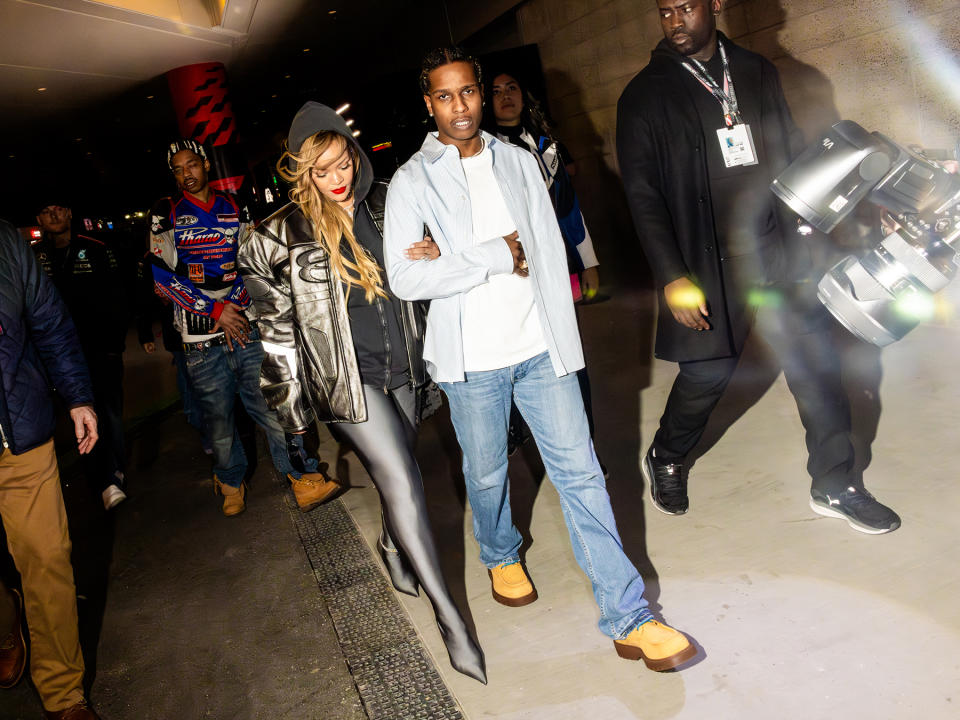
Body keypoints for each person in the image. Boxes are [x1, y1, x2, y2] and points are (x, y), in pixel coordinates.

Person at [383, 46, 696, 671]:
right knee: (489, 471)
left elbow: (547, 254)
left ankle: (629, 615)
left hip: (540, 348)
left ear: (480, 91)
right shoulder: (412, 182)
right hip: (472, 361)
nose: (460, 106)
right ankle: (499, 553)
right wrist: (499, 253)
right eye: (444, 96)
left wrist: (454, 261)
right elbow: (405, 279)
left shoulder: (520, 160)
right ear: (429, 104)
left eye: (467, 92)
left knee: (582, 474)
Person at [616, 0, 900, 533]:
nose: (675, 21)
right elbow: (643, 194)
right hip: (705, 263)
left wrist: (833, 218)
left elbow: (792, 153)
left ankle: (836, 484)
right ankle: (668, 455)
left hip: (775, 249)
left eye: (686, 8)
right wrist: (673, 275)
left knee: (815, 367)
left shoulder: (754, 70)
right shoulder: (644, 94)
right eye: (665, 12)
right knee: (707, 373)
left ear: (715, 5)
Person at [238, 102, 486, 684]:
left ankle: (392, 544)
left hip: (404, 367)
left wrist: (436, 251)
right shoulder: (274, 237)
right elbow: (275, 335)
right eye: (321, 169)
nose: (337, 176)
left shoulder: (388, 204)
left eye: (342, 160)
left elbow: (432, 265)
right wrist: (291, 412)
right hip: (346, 383)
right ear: (303, 173)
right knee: (402, 479)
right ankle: (451, 619)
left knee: (403, 473)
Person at [149, 139, 337, 517]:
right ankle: (230, 480)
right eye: (178, 169)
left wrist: (233, 304)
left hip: (246, 326)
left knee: (272, 406)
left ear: (205, 165)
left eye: (192, 165)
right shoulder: (165, 212)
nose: (187, 174)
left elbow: (251, 261)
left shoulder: (235, 206)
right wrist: (216, 310)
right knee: (218, 419)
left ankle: (302, 477)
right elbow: (160, 276)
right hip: (200, 338)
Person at [0, 218, 101, 718]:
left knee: (47, 558)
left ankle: (65, 696)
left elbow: (51, 324)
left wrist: (79, 397)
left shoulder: (6, 244)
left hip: (18, 436)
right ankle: (5, 621)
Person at [487, 69, 606, 461]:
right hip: (512, 276)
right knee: (528, 360)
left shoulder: (545, 146)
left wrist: (588, 262)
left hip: (558, 268)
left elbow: (569, 208)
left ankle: (585, 448)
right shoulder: (482, 151)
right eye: (497, 91)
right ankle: (529, 436)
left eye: (513, 88)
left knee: (570, 356)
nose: (506, 96)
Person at [33, 200, 128, 510]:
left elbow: (118, 295)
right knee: (79, 416)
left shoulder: (96, 247)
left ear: (70, 213)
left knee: (109, 412)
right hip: (61, 358)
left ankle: (115, 473)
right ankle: (101, 481)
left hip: (101, 349)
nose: (54, 215)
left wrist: (116, 343)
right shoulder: (33, 257)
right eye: (46, 212)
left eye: (58, 209)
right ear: (39, 219)